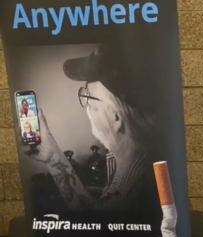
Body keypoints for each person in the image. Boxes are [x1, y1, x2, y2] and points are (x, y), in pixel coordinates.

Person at [25, 44, 164, 216]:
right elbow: (94, 213)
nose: (86, 107)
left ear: (115, 117)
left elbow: (99, 231)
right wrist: (52, 156)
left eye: (88, 97)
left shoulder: (141, 188)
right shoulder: (122, 158)